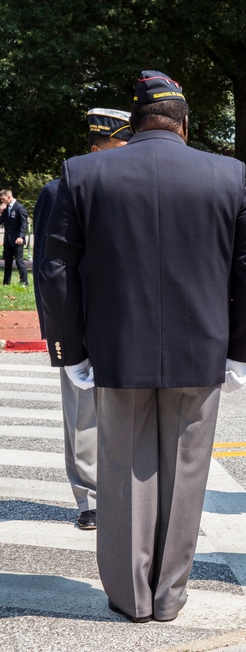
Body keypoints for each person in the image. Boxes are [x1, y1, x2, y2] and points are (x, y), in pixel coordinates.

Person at [38, 70, 246, 623]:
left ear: (134, 121)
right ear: (185, 124)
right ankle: (168, 595)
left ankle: (130, 595)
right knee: (187, 472)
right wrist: (243, 348)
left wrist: (71, 350)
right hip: (201, 352)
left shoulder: (83, 173)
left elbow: (54, 268)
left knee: (123, 474)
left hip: (118, 350)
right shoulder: (229, 174)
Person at [32, 107, 133, 531]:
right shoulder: (58, 192)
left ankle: (127, 495)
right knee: (84, 415)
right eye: (121, 145)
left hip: (127, 320)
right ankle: (90, 498)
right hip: (83, 323)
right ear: (96, 149)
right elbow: (47, 270)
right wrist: (61, 338)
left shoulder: (132, 189)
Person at [1, 189, 29, 286]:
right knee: (7, 262)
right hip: (7, 240)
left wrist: (21, 236)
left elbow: (24, 224)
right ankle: (6, 282)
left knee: (19, 261)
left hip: (18, 240)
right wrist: (0, 211)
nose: (2, 201)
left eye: (3, 199)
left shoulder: (19, 208)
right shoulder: (5, 209)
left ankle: (24, 282)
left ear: (9, 197)